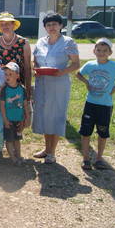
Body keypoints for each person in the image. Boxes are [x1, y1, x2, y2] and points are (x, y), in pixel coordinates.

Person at [76, 38, 115, 170]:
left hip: (105, 106)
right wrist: (86, 83)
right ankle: (85, 159)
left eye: (105, 50)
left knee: (102, 133)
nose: (101, 52)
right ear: (94, 51)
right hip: (90, 104)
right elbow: (78, 74)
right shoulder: (90, 65)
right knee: (86, 132)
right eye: (99, 50)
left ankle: (99, 159)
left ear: (110, 52)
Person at [32, 12, 80, 164]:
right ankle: (46, 148)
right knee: (45, 116)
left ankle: (52, 152)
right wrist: (35, 69)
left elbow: (76, 64)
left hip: (59, 84)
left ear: (61, 26)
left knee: (56, 116)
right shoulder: (40, 42)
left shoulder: (68, 42)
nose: (51, 27)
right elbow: (35, 61)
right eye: (48, 25)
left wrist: (62, 72)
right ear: (45, 27)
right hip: (42, 83)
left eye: (54, 24)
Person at [0, 12, 32, 100]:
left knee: (17, 110)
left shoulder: (24, 42)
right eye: (2, 24)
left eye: (7, 24)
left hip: (18, 84)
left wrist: (28, 89)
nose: (5, 27)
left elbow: (28, 68)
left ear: (13, 25)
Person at [0, 62, 28, 165]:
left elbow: (25, 104)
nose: (7, 77)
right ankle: (13, 158)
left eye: (10, 74)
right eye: (6, 74)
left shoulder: (22, 89)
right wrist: (5, 119)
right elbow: (2, 106)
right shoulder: (4, 89)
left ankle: (19, 155)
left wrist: (26, 117)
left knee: (17, 139)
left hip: (19, 119)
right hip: (9, 119)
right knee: (9, 140)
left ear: (17, 75)